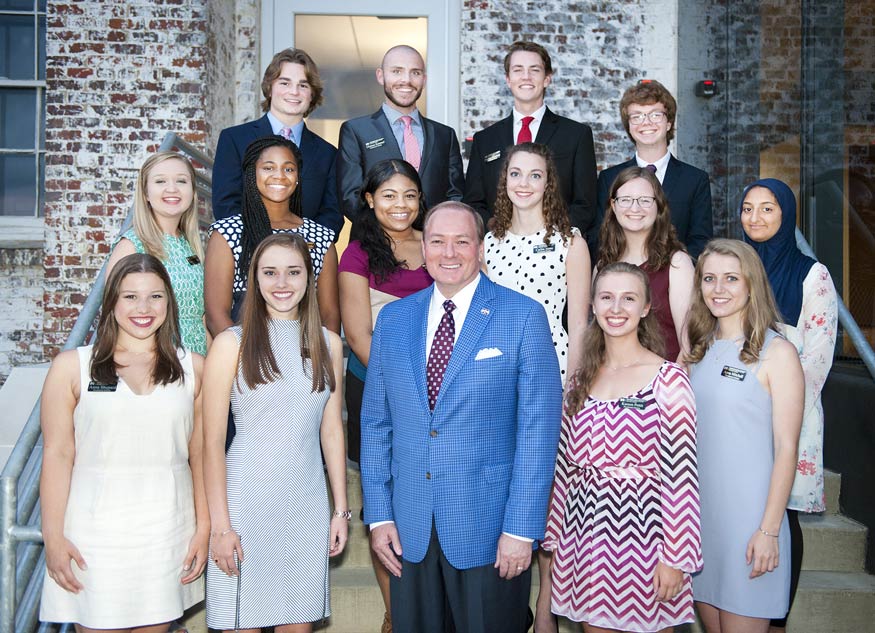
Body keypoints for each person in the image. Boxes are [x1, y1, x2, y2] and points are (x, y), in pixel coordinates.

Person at [360, 201, 563, 633]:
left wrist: (522, 529)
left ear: (480, 248)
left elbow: (538, 433)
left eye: (461, 242)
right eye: (437, 241)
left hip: (490, 532)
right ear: (424, 248)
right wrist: (379, 516)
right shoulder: (394, 320)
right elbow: (377, 425)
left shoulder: (522, 316)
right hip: (409, 529)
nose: (448, 253)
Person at [39, 253, 208, 631]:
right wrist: (52, 536)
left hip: (167, 532)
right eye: (130, 296)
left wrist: (204, 527)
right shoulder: (71, 367)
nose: (143, 308)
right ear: (111, 300)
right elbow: (57, 454)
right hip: (93, 536)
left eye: (156, 296)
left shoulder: (194, 369)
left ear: (170, 301)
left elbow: (201, 455)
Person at [543, 261, 702, 633]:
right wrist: (556, 538)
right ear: (593, 306)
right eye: (607, 298)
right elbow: (565, 469)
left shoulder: (670, 379)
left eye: (628, 299)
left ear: (646, 307)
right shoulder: (579, 379)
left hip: (647, 541)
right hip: (585, 539)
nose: (616, 309)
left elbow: (682, 478)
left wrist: (675, 557)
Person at [202, 233, 348, 631]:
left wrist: (340, 510)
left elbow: (331, 431)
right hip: (243, 503)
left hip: (306, 503)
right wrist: (220, 526)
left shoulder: (328, 344)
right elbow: (210, 443)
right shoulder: (230, 343)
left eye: (293, 272)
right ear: (255, 278)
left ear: (309, 278)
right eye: (270, 272)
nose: (282, 283)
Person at [687, 239, 804, 632]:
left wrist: (769, 529)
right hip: (700, 526)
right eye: (709, 279)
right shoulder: (696, 351)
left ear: (752, 284)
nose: (718, 289)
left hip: (752, 526)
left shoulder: (778, 353)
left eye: (731, 279)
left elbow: (787, 449)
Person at [338, 158, 432, 633]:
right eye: (389, 195)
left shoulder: (437, 244)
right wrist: (410, 390)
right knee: (385, 502)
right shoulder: (357, 254)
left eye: (410, 195)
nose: (401, 205)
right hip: (377, 387)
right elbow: (359, 336)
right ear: (370, 201)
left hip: (442, 394)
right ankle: (397, 614)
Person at [739, 178, 838, 632]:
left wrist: (775, 403)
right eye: (748, 209)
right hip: (734, 415)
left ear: (787, 216)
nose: (755, 218)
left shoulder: (811, 274)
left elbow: (817, 357)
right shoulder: (732, 265)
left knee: (783, 518)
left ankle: (776, 619)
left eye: (767, 209)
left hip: (788, 415)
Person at [205, 135, 339, 336]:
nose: (280, 175)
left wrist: (319, 358)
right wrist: (244, 357)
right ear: (252, 173)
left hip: (304, 355)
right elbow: (216, 314)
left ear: (298, 177)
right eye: (268, 168)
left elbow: (329, 315)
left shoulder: (320, 236)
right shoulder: (227, 233)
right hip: (245, 353)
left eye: (289, 169)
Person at [464, 40, 597, 234]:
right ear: (508, 79)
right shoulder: (485, 140)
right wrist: (500, 233)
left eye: (534, 70)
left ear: (547, 78)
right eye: (518, 70)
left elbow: (585, 204)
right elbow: (474, 202)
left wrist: (552, 235)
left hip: (556, 245)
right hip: (500, 245)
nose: (526, 77)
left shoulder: (576, 135)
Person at [484, 142, 590, 381]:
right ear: (505, 181)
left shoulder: (570, 243)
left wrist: (574, 385)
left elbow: (579, 325)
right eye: (515, 174)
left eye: (535, 175)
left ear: (547, 184)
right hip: (497, 367)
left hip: (552, 362)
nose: (523, 183)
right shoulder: (488, 244)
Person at [212, 48, 342, 235]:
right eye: (285, 83)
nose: (294, 92)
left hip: (306, 256)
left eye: (303, 85)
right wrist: (266, 244)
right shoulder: (234, 139)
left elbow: (332, 215)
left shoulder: (327, 154)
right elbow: (226, 204)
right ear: (270, 87)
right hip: (248, 253)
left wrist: (300, 246)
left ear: (312, 94)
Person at [336, 44, 464, 226]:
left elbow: (455, 196)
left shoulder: (445, 135)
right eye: (397, 71)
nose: (406, 80)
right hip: (375, 245)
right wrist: (393, 234)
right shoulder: (356, 131)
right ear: (380, 76)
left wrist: (436, 234)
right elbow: (351, 197)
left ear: (424, 79)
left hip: (430, 245)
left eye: (415, 73)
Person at [594, 80, 713, 259]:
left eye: (655, 115)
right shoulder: (608, 178)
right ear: (629, 127)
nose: (646, 122)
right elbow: (600, 237)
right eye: (637, 116)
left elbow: (700, 242)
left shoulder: (695, 180)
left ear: (669, 123)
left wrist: (673, 274)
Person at [107, 151, 208, 355]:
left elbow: (201, 316)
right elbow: (117, 315)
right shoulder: (132, 246)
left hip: (197, 360)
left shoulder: (190, 245)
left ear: (192, 191)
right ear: (145, 193)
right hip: (158, 361)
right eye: (160, 181)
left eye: (181, 181)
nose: (172, 189)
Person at [596, 166, 694, 361]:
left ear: (659, 207)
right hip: (613, 382)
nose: (635, 208)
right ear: (613, 207)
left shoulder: (677, 264)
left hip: (662, 382)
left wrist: (673, 387)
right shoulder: (602, 265)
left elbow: (688, 346)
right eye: (625, 200)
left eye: (645, 201)